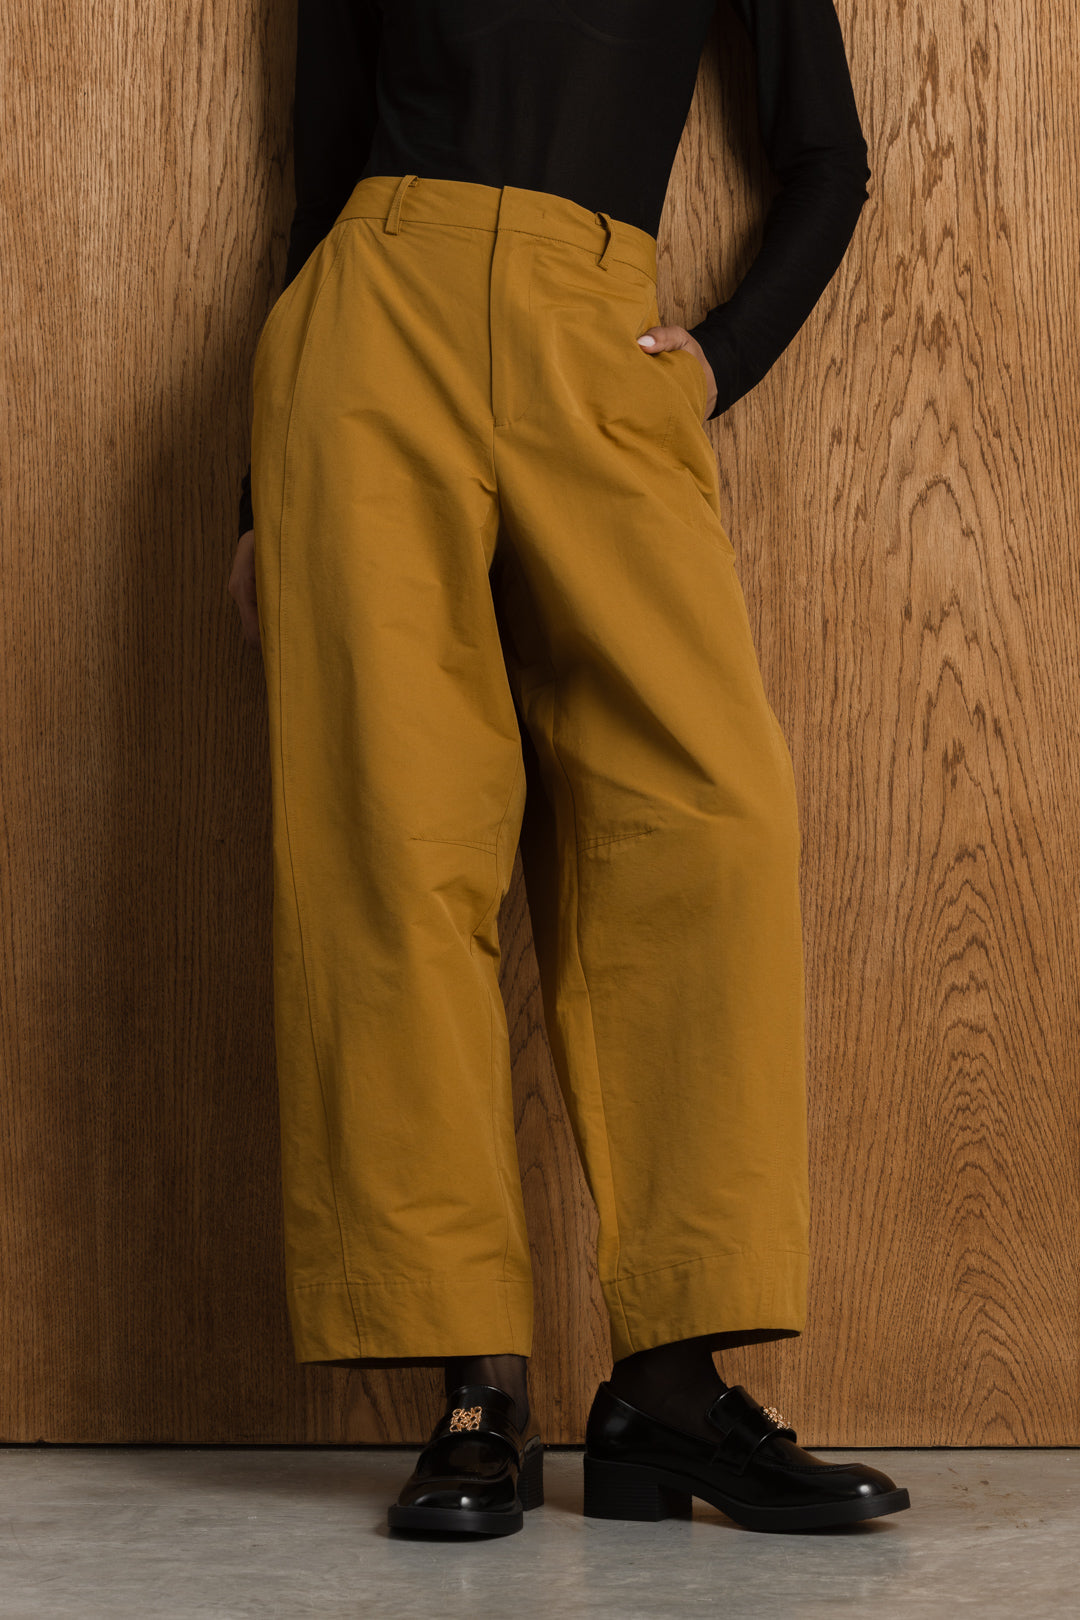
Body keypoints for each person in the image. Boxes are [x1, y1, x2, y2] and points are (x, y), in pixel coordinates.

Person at [229, 0, 911, 1539]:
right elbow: (322, 169)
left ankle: (669, 1391)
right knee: (394, 849)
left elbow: (828, 158)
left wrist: (713, 363)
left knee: (712, 821)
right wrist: (256, 491)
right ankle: (476, 1393)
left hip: (598, 334)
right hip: (368, 336)